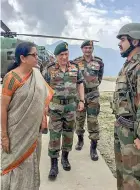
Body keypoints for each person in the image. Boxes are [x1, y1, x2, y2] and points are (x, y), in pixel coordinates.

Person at [1, 42, 54, 190]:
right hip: (15, 132)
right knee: (15, 166)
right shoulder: (11, 78)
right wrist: (4, 136)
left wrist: (43, 118)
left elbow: (43, 99)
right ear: (23, 58)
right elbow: (3, 108)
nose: (37, 57)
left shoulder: (36, 74)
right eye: (34, 55)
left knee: (31, 164)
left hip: (33, 132)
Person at [112, 23, 140, 190]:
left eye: (123, 39)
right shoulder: (127, 66)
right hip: (121, 128)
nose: (119, 43)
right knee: (122, 175)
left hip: (133, 135)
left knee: (132, 181)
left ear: (135, 41)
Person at [44, 42, 85, 180]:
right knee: (54, 136)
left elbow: (80, 83)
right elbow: (43, 87)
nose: (64, 57)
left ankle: (65, 158)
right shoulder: (49, 69)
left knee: (68, 135)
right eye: (61, 54)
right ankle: (54, 165)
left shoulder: (75, 67)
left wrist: (81, 100)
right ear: (56, 56)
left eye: (66, 54)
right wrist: (45, 106)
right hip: (55, 108)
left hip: (70, 108)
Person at [74, 40, 104, 161]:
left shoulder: (99, 62)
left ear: (92, 49)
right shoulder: (76, 62)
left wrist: (92, 86)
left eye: (90, 48)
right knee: (79, 119)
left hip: (93, 95)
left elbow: (100, 77)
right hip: (80, 96)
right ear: (82, 49)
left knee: (93, 121)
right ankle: (80, 140)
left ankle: (93, 148)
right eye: (85, 48)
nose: (88, 50)